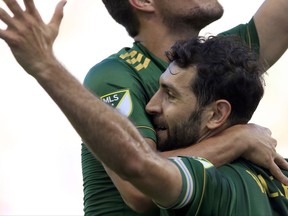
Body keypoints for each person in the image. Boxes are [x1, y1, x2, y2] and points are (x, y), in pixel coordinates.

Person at [0, 0, 287, 215]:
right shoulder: (115, 74)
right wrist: (236, 139)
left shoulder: (216, 65)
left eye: (170, 95)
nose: (153, 105)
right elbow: (140, 187)